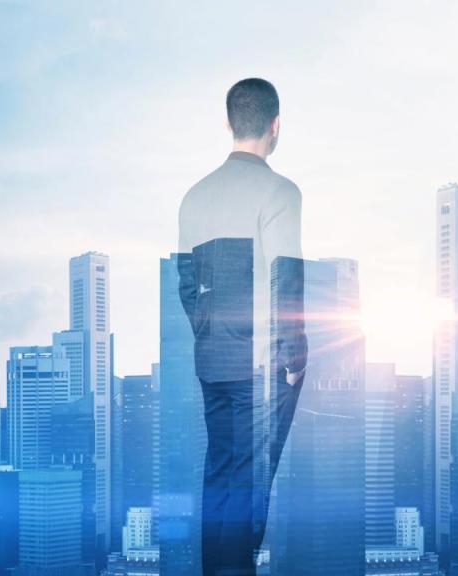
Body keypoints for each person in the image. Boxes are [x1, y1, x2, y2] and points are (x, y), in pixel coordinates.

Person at [177, 78, 307, 576]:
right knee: (252, 484)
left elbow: (187, 287)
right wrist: (294, 361)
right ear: (275, 127)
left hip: (213, 361)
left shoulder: (193, 197)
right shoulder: (280, 191)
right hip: (261, 367)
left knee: (221, 475)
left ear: (229, 123)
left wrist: (212, 337)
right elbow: (285, 280)